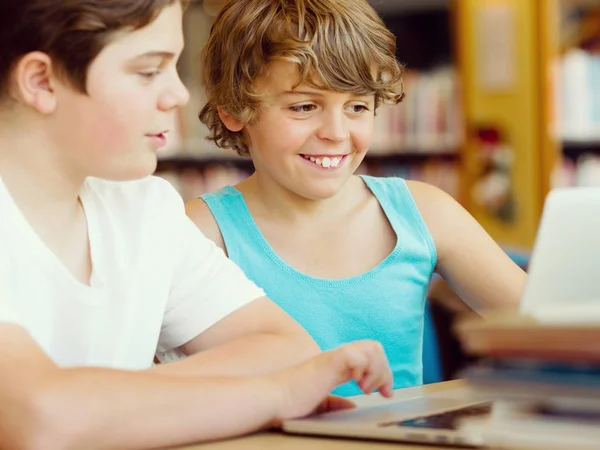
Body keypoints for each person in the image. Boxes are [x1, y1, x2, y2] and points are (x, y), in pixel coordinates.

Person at [0, 1, 394, 448]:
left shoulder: (144, 210)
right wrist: (278, 395)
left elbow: (286, 350)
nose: (180, 94)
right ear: (40, 80)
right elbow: (35, 418)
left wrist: (99, 403)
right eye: (149, 71)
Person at [186, 0, 527, 397]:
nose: (336, 132)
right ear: (233, 110)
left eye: (357, 106)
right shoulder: (197, 234)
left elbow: (550, 330)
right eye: (305, 106)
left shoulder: (425, 212)